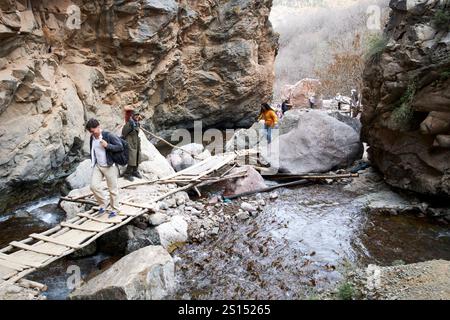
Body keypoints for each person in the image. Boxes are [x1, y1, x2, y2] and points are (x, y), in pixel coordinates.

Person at [85, 118, 124, 218]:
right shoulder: (92, 137)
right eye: (90, 132)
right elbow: (93, 150)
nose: (92, 133)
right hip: (98, 166)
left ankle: (115, 209)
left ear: (98, 127)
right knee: (93, 186)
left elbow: (120, 147)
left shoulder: (108, 135)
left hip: (109, 166)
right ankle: (103, 203)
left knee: (112, 189)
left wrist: (108, 145)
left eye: (93, 131)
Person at [122, 106, 142, 182]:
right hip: (130, 142)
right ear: (132, 116)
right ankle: (127, 174)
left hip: (136, 141)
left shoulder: (136, 123)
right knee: (132, 158)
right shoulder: (129, 123)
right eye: (135, 115)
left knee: (137, 156)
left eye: (138, 115)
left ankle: (135, 171)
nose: (137, 117)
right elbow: (124, 133)